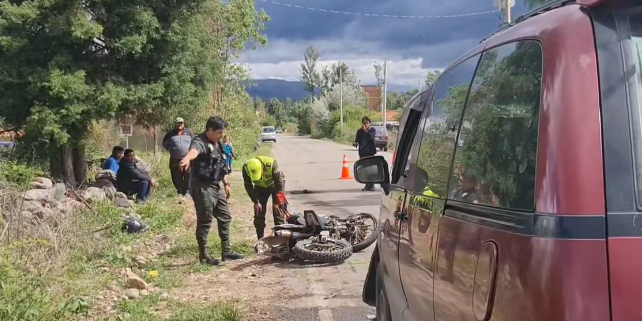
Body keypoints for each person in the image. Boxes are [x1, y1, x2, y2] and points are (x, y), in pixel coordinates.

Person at [179, 116, 245, 265]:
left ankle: (226, 251)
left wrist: (226, 183)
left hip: (215, 185)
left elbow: (220, 164)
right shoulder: (199, 141)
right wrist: (187, 159)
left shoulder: (218, 144)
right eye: (219, 132)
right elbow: (194, 151)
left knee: (225, 216)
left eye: (222, 133)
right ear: (210, 130)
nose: (221, 135)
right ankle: (204, 255)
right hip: (202, 186)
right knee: (205, 220)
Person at [242, 155, 286, 240]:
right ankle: (260, 239)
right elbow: (248, 186)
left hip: (275, 186)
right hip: (260, 187)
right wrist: (256, 202)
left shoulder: (271, 164)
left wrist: (277, 202)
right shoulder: (246, 167)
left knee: (278, 212)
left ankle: (281, 240)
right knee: (259, 212)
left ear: (262, 167)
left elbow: (280, 185)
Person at [163, 117, 195, 196]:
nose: (180, 124)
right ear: (175, 124)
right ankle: (180, 191)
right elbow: (165, 144)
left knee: (188, 173)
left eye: (181, 123)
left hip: (187, 158)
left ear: (183, 123)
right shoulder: (170, 134)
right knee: (176, 175)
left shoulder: (189, 132)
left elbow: (194, 143)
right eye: (178, 123)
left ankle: (187, 191)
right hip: (175, 158)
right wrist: (172, 150)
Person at [354, 116, 377, 191]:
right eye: (364, 123)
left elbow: (372, 137)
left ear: (369, 123)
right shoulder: (359, 131)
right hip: (362, 152)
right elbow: (357, 140)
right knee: (364, 169)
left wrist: (366, 131)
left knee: (371, 168)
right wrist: (356, 143)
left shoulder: (372, 130)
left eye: (367, 123)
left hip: (370, 152)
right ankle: (367, 185)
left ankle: (372, 185)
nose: (365, 124)